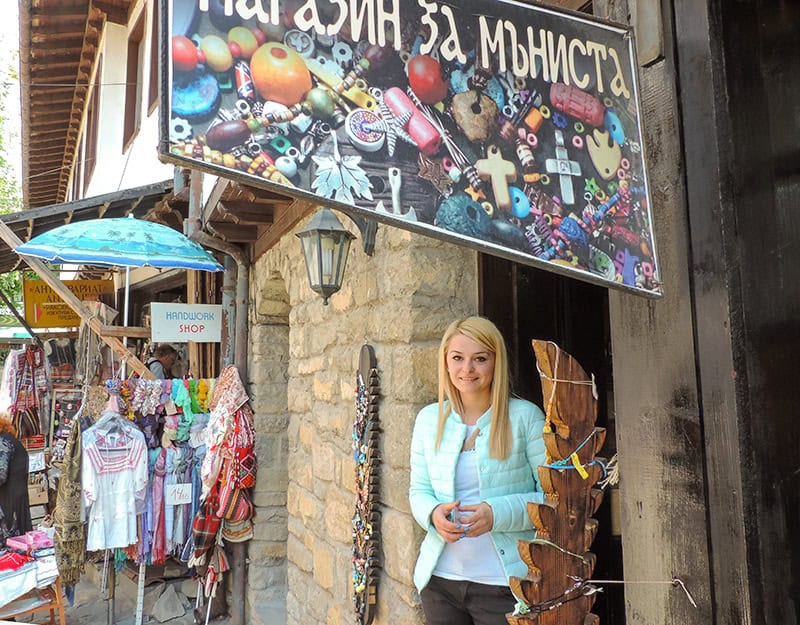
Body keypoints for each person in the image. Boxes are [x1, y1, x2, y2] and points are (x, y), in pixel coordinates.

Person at [409, 316, 547, 625]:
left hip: (504, 584)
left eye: (480, 359)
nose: (467, 369)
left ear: (496, 362)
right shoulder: (429, 419)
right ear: (445, 362)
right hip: (440, 582)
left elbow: (553, 499)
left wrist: (495, 514)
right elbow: (418, 489)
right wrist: (432, 514)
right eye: (457, 358)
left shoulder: (525, 418)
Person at [0, 415, 32, 542]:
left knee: (10, 544)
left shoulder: (3, 443)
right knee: (18, 543)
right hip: (16, 498)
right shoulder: (11, 441)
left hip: (8, 501)